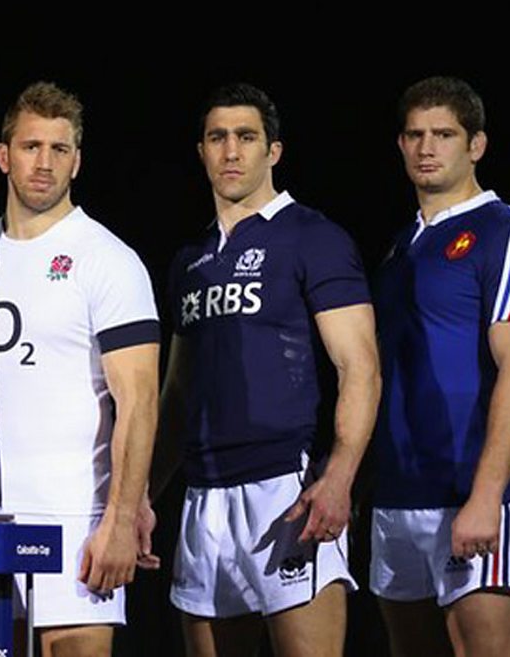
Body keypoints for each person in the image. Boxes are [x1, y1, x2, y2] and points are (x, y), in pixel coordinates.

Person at [154, 83, 380, 657]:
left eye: (246, 137)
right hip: (204, 494)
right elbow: (176, 396)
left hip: (285, 486)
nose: (231, 151)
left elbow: (360, 367)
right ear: (201, 151)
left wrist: (340, 476)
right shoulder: (190, 261)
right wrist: (140, 500)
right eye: (217, 138)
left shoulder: (313, 237)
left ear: (273, 150)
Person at [0, 81, 161, 657]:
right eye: (31, 147)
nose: (44, 163)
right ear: (4, 156)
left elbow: (140, 402)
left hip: (75, 521)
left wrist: (119, 519)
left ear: (77, 161)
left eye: (59, 149)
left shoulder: (108, 259)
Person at [370, 76, 510, 657]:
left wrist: (486, 495)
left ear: (476, 145)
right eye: (415, 135)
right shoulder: (399, 248)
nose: (427, 148)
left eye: (444, 134)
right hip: (397, 492)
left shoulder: (506, 233)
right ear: (400, 144)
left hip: (472, 488)